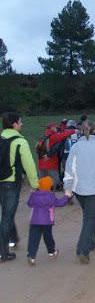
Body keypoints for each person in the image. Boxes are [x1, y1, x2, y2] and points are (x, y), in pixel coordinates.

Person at [63, 120, 95, 264]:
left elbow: (69, 169)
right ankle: (82, 250)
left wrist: (68, 189)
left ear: (81, 131)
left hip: (79, 189)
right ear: (94, 131)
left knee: (89, 215)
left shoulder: (76, 147)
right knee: (89, 217)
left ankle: (93, 240)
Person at [0, 112, 39, 262]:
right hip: (11, 183)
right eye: (20, 122)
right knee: (7, 217)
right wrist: (35, 183)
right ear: (14, 124)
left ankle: (13, 238)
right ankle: (3, 252)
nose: (22, 124)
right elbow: (29, 164)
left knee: (5, 215)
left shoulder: (1, 138)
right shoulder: (20, 141)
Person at [26, 176, 71, 266]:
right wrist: (67, 197)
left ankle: (31, 256)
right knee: (48, 237)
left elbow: (29, 203)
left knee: (33, 238)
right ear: (51, 187)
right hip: (47, 221)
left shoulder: (34, 195)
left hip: (34, 221)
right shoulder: (51, 196)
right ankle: (51, 252)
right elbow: (59, 203)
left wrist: (34, 193)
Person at [38, 122, 76, 190]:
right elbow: (63, 135)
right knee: (55, 179)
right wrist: (74, 131)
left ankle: (41, 193)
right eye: (56, 127)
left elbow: (37, 150)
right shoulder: (53, 136)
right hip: (51, 162)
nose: (57, 129)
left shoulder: (42, 137)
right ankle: (49, 193)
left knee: (42, 179)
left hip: (41, 162)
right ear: (52, 128)